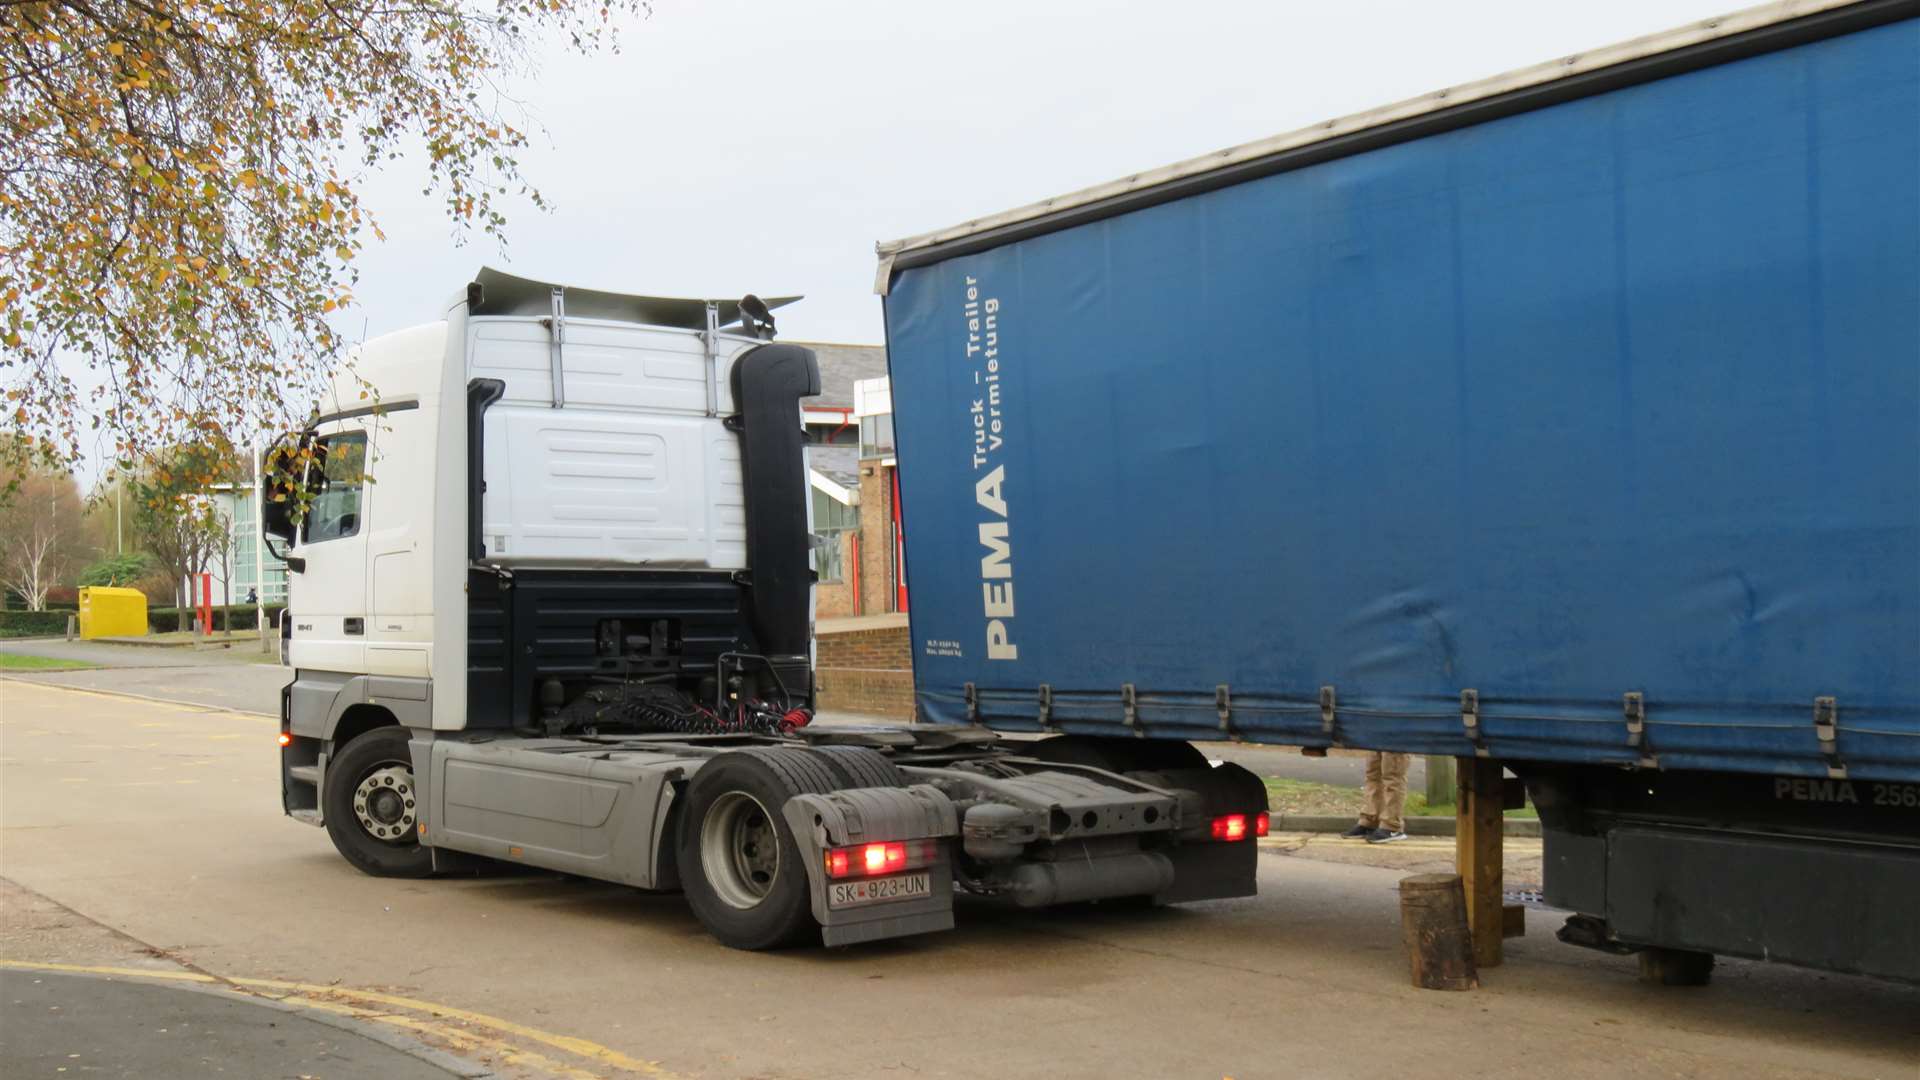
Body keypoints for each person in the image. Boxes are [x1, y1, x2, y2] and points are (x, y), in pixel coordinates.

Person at [1342, 751, 1409, 843]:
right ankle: (1370, 821)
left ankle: (1392, 826)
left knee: (1393, 777)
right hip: (1376, 738)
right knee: (1373, 775)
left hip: (1396, 738)